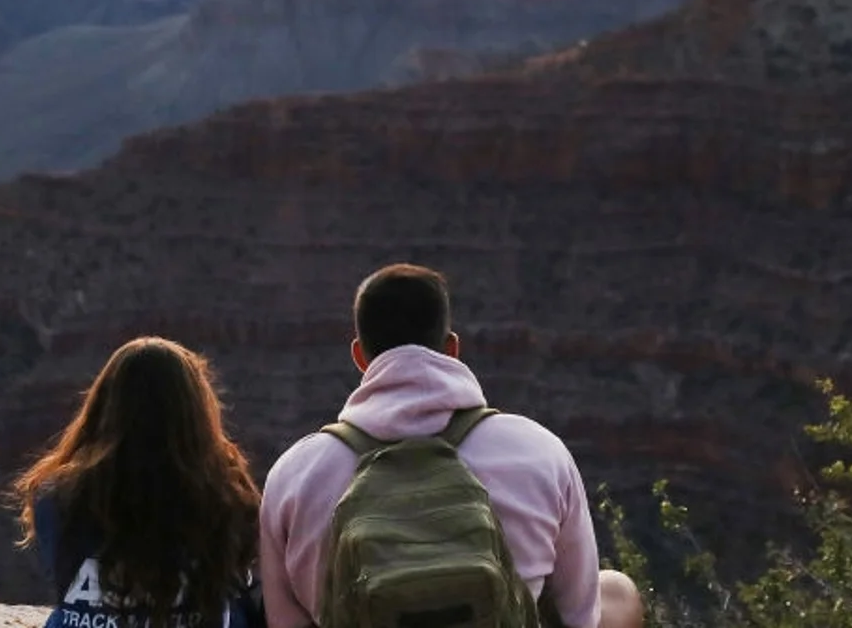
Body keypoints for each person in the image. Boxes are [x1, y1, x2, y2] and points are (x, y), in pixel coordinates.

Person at [258, 263, 645, 628]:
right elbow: (580, 614)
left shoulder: (295, 475)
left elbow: (283, 621)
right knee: (617, 590)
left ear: (360, 355)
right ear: (451, 348)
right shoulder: (539, 452)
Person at [9, 337, 264, 628]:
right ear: (196, 413)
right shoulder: (227, 496)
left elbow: (63, 574)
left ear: (104, 406)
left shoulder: (57, 498)